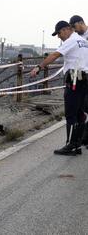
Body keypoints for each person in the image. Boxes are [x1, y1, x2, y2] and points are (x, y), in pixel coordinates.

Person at [31, 20, 88, 156]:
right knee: (80, 113)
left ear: (66, 29)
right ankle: (77, 144)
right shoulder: (84, 41)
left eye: (59, 33)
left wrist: (39, 67)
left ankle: (71, 145)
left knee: (71, 113)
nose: (59, 37)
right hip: (84, 80)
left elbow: (55, 55)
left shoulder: (71, 40)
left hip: (75, 80)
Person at [69, 15, 88, 146]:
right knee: (84, 106)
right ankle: (84, 137)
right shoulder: (79, 38)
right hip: (83, 76)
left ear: (81, 23)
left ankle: (84, 138)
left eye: (75, 27)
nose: (75, 31)